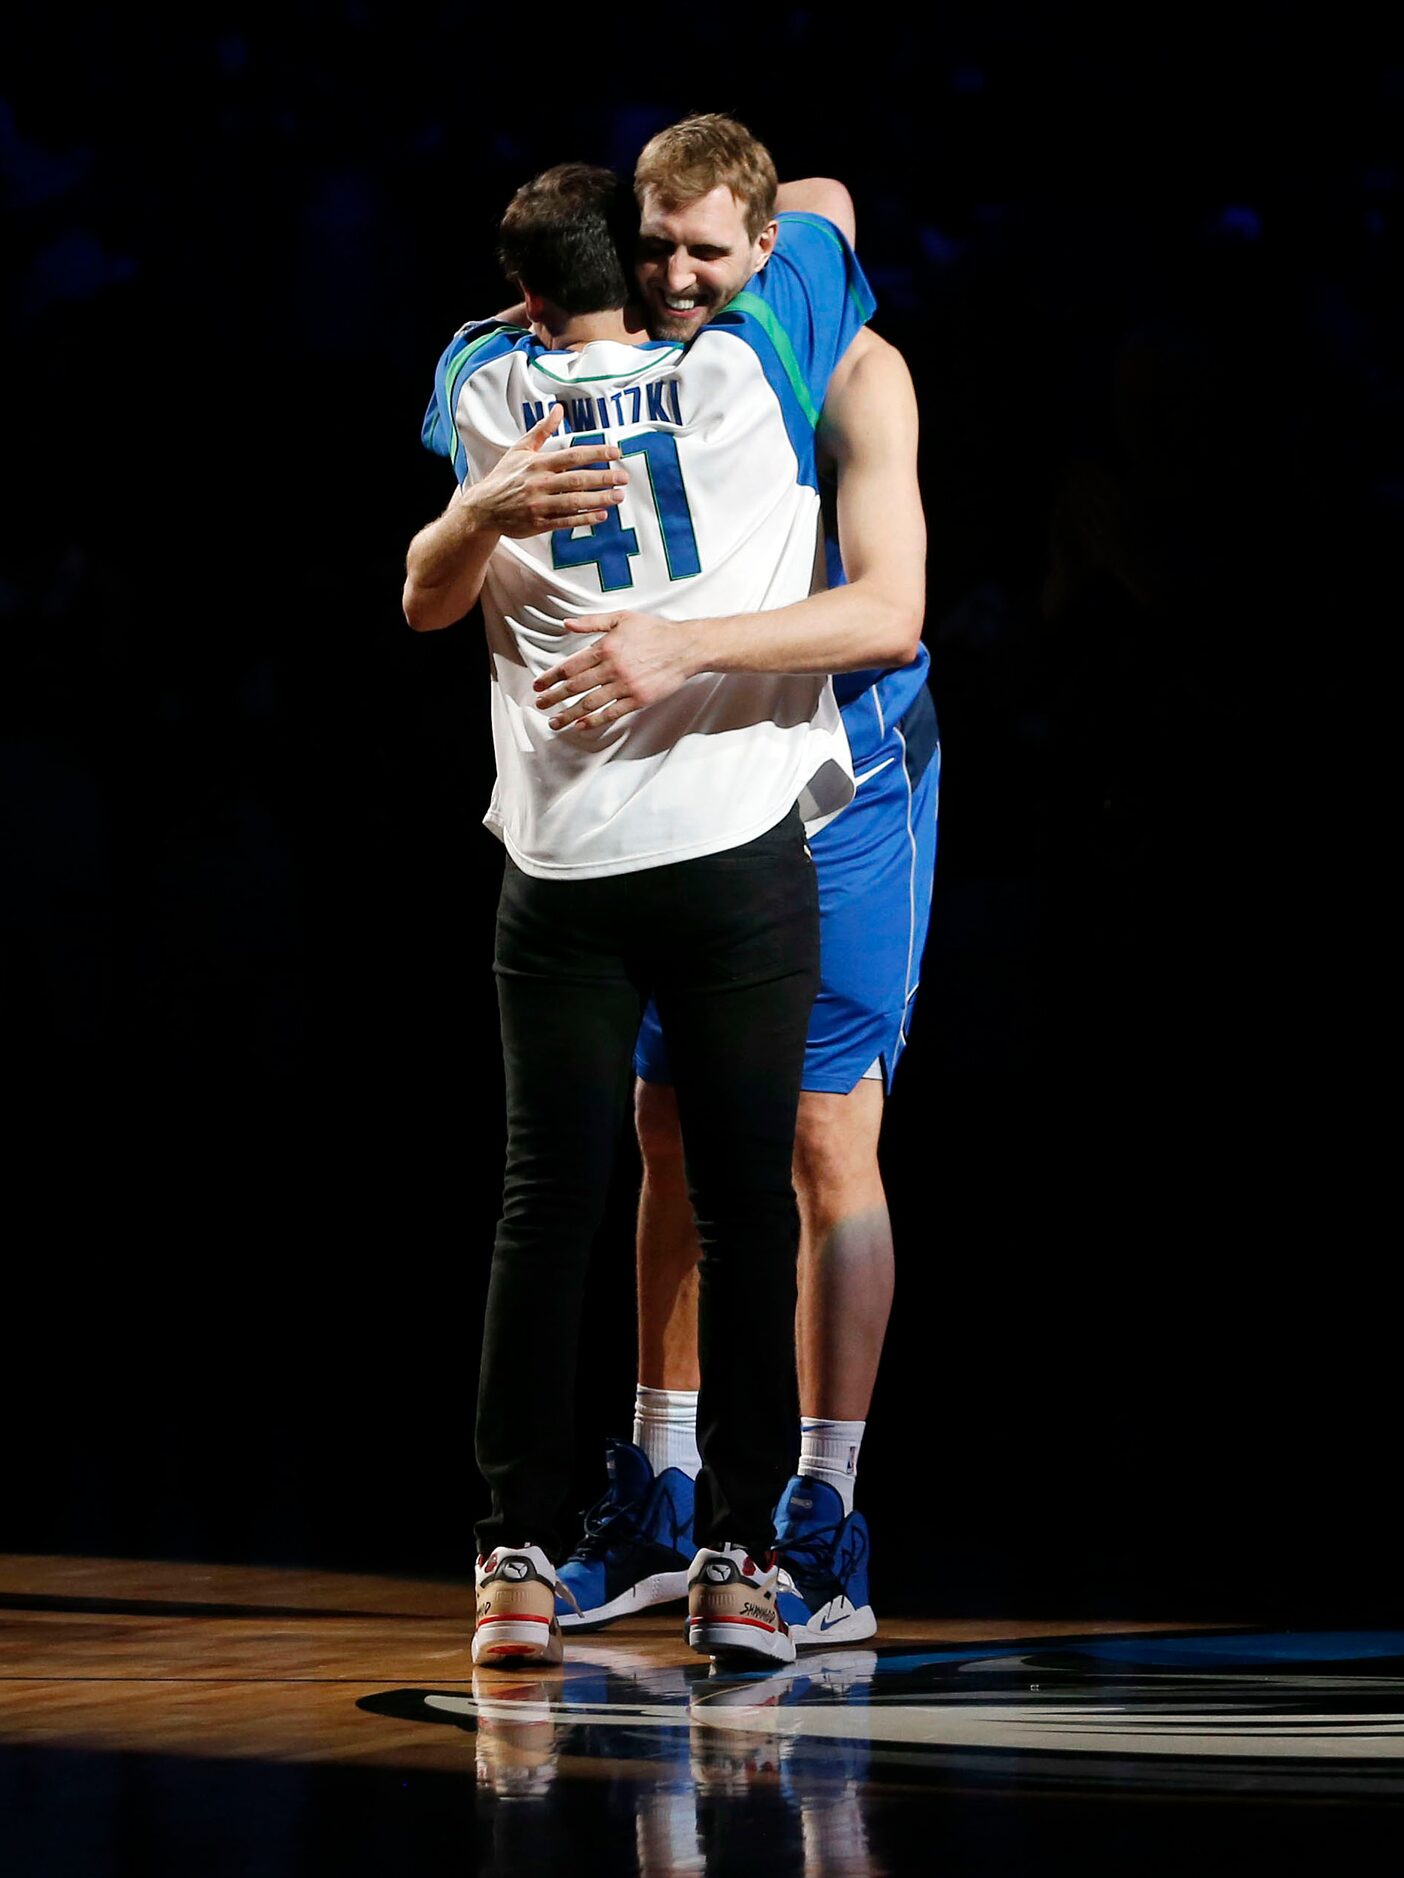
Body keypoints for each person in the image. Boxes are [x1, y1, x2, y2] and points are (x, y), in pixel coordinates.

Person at [404, 156, 888, 1669]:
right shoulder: (747, 366)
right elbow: (827, 202)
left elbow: (431, 574)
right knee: (749, 1206)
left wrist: (539, 318)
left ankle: (513, 1558)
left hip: (559, 868)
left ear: (531, 293)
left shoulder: (484, 387)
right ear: (665, 266)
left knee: (545, 1210)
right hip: (733, 850)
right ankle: (742, 1559)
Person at [538, 116, 939, 1648]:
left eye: (716, 249)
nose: (682, 274)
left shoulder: (850, 369)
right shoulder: (630, 357)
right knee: (666, 1128)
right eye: (659, 248)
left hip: (838, 781)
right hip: (695, 793)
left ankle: (822, 1519)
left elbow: (889, 613)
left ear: (773, 254)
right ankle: (660, 1485)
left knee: (826, 1134)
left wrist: (683, 647)